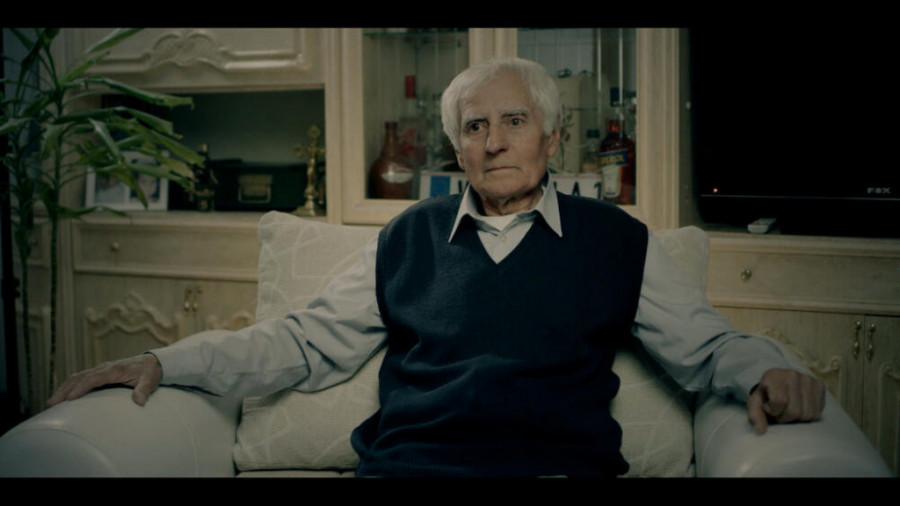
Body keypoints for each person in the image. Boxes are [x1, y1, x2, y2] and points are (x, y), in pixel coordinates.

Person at [48, 57, 825, 477]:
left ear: (553, 139)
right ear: (457, 148)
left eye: (514, 121)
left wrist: (767, 370)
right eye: (475, 127)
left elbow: (706, 346)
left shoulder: (617, 241)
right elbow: (301, 342)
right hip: (410, 472)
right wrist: (167, 360)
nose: (495, 142)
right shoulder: (406, 238)